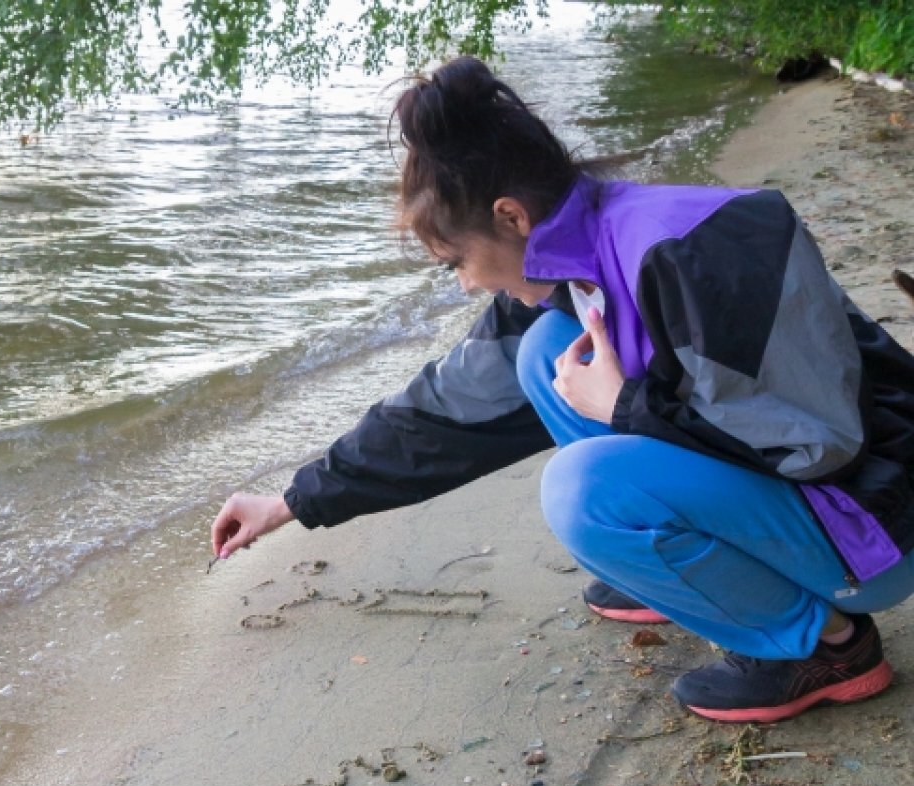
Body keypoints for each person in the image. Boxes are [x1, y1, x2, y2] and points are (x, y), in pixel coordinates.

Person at [210, 56, 914, 723]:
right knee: (546, 355)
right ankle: (684, 569)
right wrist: (293, 499)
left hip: (877, 525)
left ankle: (829, 644)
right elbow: (446, 412)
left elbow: (818, 443)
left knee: (582, 490)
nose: (465, 282)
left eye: (457, 260)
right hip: (819, 500)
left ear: (511, 216)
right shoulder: (566, 267)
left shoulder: (692, 249)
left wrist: (623, 407)